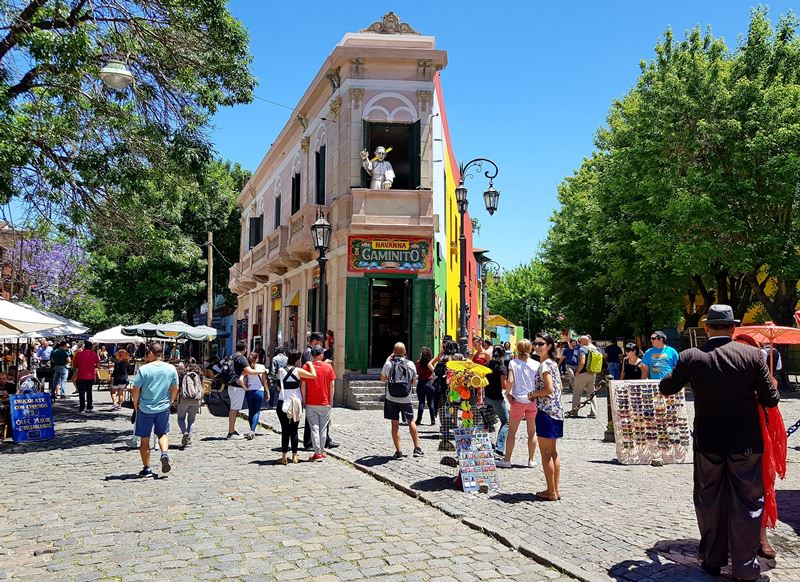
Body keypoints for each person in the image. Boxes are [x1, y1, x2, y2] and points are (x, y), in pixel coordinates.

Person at [660, 304, 779, 581]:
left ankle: (713, 559)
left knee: (709, 499)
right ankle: (745, 566)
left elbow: (667, 387)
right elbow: (770, 399)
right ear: (733, 328)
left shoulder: (691, 356)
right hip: (746, 442)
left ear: (706, 328)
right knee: (749, 502)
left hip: (709, 441)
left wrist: (682, 372)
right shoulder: (752, 355)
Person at [132, 343, 179, 477]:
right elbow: (176, 387)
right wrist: (171, 400)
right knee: (163, 433)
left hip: (146, 408)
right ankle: (164, 453)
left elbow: (136, 389)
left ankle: (146, 468)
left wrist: (136, 404)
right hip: (163, 407)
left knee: (145, 439)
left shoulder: (144, 369)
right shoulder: (171, 368)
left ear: (151, 353)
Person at [528, 332, 564, 500]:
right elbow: (560, 387)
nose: (537, 346)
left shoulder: (544, 365)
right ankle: (555, 490)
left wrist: (533, 394)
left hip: (546, 412)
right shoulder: (553, 364)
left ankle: (550, 492)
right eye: (535, 343)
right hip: (556, 412)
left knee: (546, 454)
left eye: (541, 344)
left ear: (549, 346)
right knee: (553, 452)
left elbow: (549, 389)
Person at [497, 339, 539, 468]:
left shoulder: (513, 363)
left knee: (512, 432)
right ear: (530, 349)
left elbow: (510, 380)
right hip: (532, 400)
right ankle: (531, 460)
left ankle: (507, 459)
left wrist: (507, 394)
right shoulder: (537, 364)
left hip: (518, 401)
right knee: (532, 432)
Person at [381, 342, 423, 459]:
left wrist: (388, 360)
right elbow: (414, 382)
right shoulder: (410, 364)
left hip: (391, 397)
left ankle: (398, 451)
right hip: (406, 398)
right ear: (405, 352)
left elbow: (382, 379)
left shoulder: (388, 364)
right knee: (411, 421)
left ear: (393, 352)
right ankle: (416, 448)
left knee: (395, 424)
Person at [276, 350, 317, 464]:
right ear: (298, 360)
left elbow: (279, 387)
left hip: (283, 401)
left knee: (285, 430)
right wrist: (310, 364)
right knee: (294, 430)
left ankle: (284, 456)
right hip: (295, 402)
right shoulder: (298, 371)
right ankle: (294, 456)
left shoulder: (280, 370)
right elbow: (314, 376)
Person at [301, 346, 336, 461]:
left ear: (312, 355)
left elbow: (303, 385)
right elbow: (332, 385)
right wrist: (331, 400)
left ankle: (317, 453)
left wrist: (304, 400)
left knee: (314, 428)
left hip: (311, 401)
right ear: (321, 355)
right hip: (325, 402)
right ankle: (321, 450)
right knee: (323, 428)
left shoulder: (306, 366)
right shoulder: (328, 367)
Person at [484, 345, 509, 458]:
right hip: (497, 398)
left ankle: (483, 444)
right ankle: (499, 448)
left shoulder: (487, 364)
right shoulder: (501, 367)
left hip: (486, 396)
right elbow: (504, 386)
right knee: (506, 422)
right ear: (503, 355)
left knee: (487, 422)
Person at [567, 336, 598, 419]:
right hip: (592, 373)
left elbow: (582, 362)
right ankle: (593, 412)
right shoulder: (594, 349)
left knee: (577, 392)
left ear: (582, 342)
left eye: (579, 341)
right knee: (592, 393)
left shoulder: (582, 349)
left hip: (582, 374)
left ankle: (574, 411)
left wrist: (577, 371)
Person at [176, 359, 203, 447]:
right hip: (196, 400)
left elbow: (178, 387)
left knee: (180, 418)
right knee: (191, 420)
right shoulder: (199, 376)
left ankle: (184, 432)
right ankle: (189, 439)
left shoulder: (183, 375)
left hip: (184, 399)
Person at [240, 352, 267, 440]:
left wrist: (245, 388)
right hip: (259, 391)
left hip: (250, 392)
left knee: (251, 411)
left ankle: (251, 429)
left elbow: (240, 379)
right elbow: (264, 381)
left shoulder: (247, 369)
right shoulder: (262, 367)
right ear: (257, 359)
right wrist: (268, 391)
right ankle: (252, 430)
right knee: (256, 411)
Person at [226, 340, 249, 440]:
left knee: (233, 408)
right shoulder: (242, 358)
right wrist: (262, 370)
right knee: (234, 409)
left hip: (231, 385)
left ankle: (232, 430)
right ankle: (231, 432)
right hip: (237, 386)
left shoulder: (232, 356)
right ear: (245, 349)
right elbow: (249, 370)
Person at [72, 341, 100, 412]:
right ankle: (89, 406)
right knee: (89, 391)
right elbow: (98, 365)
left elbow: (74, 365)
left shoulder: (78, 354)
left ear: (84, 346)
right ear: (91, 347)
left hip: (81, 375)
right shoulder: (94, 354)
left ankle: (82, 407)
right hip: (90, 376)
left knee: (81, 392)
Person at [415, 346, 435, 426]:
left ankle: (419, 420)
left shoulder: (417, 363)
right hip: (430, 383)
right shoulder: (431, 363)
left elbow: (417, 372)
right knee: (431, 403)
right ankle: (432, 420)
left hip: (421, 383)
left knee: (421, 403)